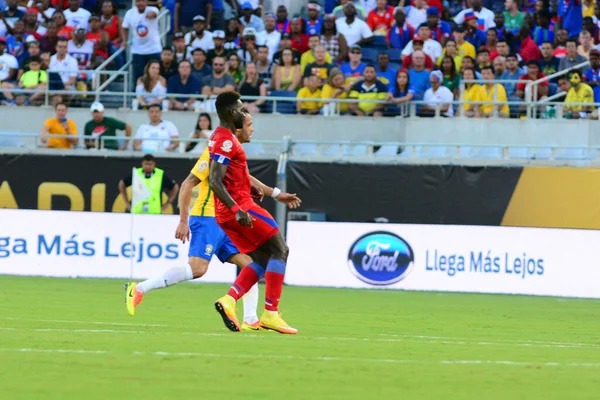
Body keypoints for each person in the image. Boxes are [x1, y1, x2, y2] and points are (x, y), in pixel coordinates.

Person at [124, 141, 263, 331]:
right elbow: (187, 184)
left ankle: (251, 319)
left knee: (251, 266)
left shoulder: (233, 153)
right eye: (248, 125)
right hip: (207, 218)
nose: (251, 130)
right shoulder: (213, 152)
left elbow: (243, 177)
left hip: (224, 221)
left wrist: (270, 191)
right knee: (197, 269)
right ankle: (139, 289)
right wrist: (183, 220)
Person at [209, 91, 302, 333]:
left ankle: (229, 300)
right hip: (240, 208)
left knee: (261, 259)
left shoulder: (222, 137)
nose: (243, 113)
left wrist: (265, 191)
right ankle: (271, 313)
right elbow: (214, 181)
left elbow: (233, 175)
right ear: (231, 113)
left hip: (229, 212)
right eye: (240, 110)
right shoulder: (226, 140)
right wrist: (237, 208)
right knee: (281, 250)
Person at [122, 0, 161, 82]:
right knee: (139, 76)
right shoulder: (130, 13)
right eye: (138, 1)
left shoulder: (153, 9)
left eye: (143, 1)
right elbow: (125, 28)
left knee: (156, 75)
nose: (140, 3)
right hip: (137, 51)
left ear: (146, 2)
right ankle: (138, 94)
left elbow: (154, 14)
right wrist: (124, 41)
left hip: (153, 49)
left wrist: (150, 15)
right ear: (135, 3)